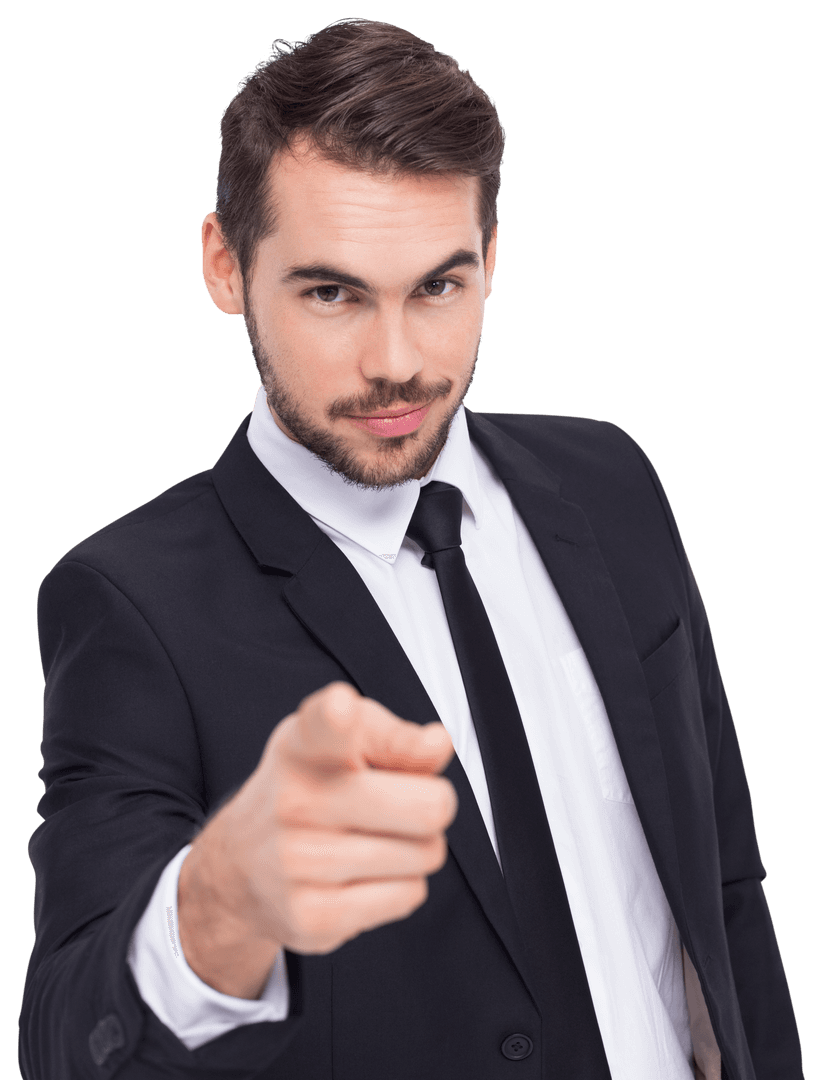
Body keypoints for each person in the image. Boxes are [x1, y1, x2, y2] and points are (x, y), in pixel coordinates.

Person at [20, 18, 803, 1080]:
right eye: (331, 292)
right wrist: (217, 904)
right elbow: (66, 1035)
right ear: (224, 265)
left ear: (491, 257)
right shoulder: (129, 602)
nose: (395, 363)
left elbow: (725, 891)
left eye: (438, 286)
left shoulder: (611, 483)